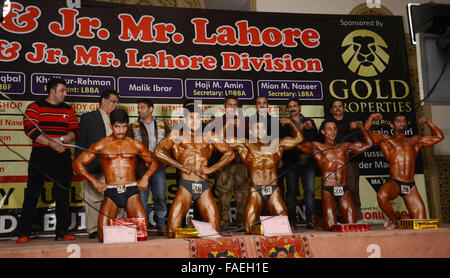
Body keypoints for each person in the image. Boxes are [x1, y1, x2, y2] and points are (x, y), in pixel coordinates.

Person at [73, 109, 159, 242]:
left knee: (142, 234)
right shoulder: (102, 145)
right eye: (117, 126)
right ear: (111, 126)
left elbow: (154, 162)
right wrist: (94, 182)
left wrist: (146, 177)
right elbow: (77, 163)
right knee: (102, 236)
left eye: (124, 126)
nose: (121, 130)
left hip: (131, 191)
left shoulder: (134, 144)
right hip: (111, 192)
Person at [154, 105, 235, 238]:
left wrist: (211, 169)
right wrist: (179, 166)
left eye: (197, 118)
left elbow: (230, 153)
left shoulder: (209, 136)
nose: (195, 121)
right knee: (171, 233)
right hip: (185, 185)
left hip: (204, 187)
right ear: (184, 120)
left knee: (214, 232)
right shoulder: (177, 136)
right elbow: (158, 151)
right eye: (191, 118)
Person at [17, 77, 80, 243]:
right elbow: (30, 130)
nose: (65, 94)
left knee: (63, 193)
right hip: (41, 154)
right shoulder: (34, 107)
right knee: (32, 193)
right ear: (52, 91)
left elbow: (75, 131)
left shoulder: (69, 109)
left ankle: (62, 231)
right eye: (62, 91)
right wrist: (51, 144)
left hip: (62, 155)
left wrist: (63, 140)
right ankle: (24, 232)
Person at [364, 113, 444, 229]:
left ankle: (400, 216)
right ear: (392, 125)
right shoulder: (386, 139)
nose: (402, 123)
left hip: (410, 185)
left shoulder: (415, 140)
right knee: (382, 195)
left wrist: (427, 121)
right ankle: (394, 220)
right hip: (395, 182)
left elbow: (439, 136)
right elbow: (366, 134)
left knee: (420, 222)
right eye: (398, 121)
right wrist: (371, 118)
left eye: (403, 121)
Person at [226, 118, 304, 234]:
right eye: (257, 128)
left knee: (284, 227)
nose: (260, 130)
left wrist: (291, 123)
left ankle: (268, 228)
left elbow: (299, 139)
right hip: (255, 190)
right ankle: (266, 228)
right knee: (248, 229)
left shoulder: (276, 143)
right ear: (251, 132)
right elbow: (222, 140)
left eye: (262, 128)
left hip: (273, 189)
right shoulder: (245, 144)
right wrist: (228, 124)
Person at [297, 120, 373, 231]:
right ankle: (317, 220)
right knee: (330, 226)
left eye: (334, 129)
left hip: (343, 188)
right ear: (323, 132)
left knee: (351, 225)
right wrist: (302, 127)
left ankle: (338, 219)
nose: (332, 132)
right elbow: (298, 144)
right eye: (329, 129)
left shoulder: (345, 147)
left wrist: (361, 127)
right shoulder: (317, 147)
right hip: (328, 189)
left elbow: (369, 144)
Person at [75, 89, 119, 239]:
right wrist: (81, 164)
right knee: (93, 198)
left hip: (115, 167)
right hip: (94, 164)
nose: (115, 104)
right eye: (113, 101)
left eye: (117, 102)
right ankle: (93, 229)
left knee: (116, 197)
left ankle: (114, 226)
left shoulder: (117, 119)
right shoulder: (88, 118)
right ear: (103, 101)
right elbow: (81, 143)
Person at [126, 99, 169, 236]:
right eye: (138, 108)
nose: (139, 110)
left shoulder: (162, 125)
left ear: (151, 109)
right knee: (142, 199)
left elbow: (170, 144)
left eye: (142, 107)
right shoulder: (133, 126)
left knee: (160, 196)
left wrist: (166, 160)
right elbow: (128, 147)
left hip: (159, 167)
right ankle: (142, 226)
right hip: (140, 168)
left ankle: (161, 224)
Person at [318, 100, 364, 222]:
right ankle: (338, 217)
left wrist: (355, 129)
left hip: (349, 160)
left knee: (352, 189)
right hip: (331, 162)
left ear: (344, 109)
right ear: (331, 110)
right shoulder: (326, 123)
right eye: (335, 107)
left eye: (340, 107)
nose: (337, 109)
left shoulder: (351, 123)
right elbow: (320, 142)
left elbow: (359, 143)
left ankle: (357, 217)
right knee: (334, 191)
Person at [211, 95, 250, 230]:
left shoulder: (245, 122)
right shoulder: (217, 121)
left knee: (242, 196)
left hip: (241, 165)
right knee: (224, 197)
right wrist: (228, 123)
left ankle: (241, 224)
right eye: (229, 105)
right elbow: (216, 142)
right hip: (224, 165)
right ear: (225, 107)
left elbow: (252, 142)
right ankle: (224, 224)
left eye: (234, 105)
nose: (232, 107)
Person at [280, 98, 317, 229]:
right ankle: (291, 221)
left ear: (300, 107)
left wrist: (307, 155)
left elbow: (315, 141)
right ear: (286, 109)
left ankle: (310, 220)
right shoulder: (283, 123)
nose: (292, 108)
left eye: (295, 106)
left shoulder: (310, 122)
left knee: (310, 192)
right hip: (291, 162)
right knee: (291, 192)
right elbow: (281, 144)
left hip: (308, 162)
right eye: (290, 107)